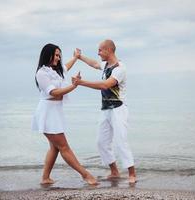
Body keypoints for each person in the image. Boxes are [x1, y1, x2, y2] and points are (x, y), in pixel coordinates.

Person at [32, 43, 97, 185]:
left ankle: (45, 178)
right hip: (47, 113)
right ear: (47, 55)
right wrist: (73, 86)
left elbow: (66, 67)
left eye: (59, 55)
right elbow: (53, 92)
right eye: (56, 55)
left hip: (55, 112)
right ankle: (86, 175)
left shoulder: (56, 71)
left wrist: (75, 58)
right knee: (64, 147)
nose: (58, 57)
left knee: (54, 148)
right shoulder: (42, 73)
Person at [72, 39, 137, 184]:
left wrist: (81, 83)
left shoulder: (120, 68)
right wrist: (79, 57)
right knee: (101, 142)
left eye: (100, 50)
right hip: (105, 109)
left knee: (121, 141)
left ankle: (132, 173)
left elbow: (105, 85)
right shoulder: (105, 65)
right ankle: (114, 171)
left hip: (119, 109)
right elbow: (94, 63)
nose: (98, 52)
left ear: (108, 50)